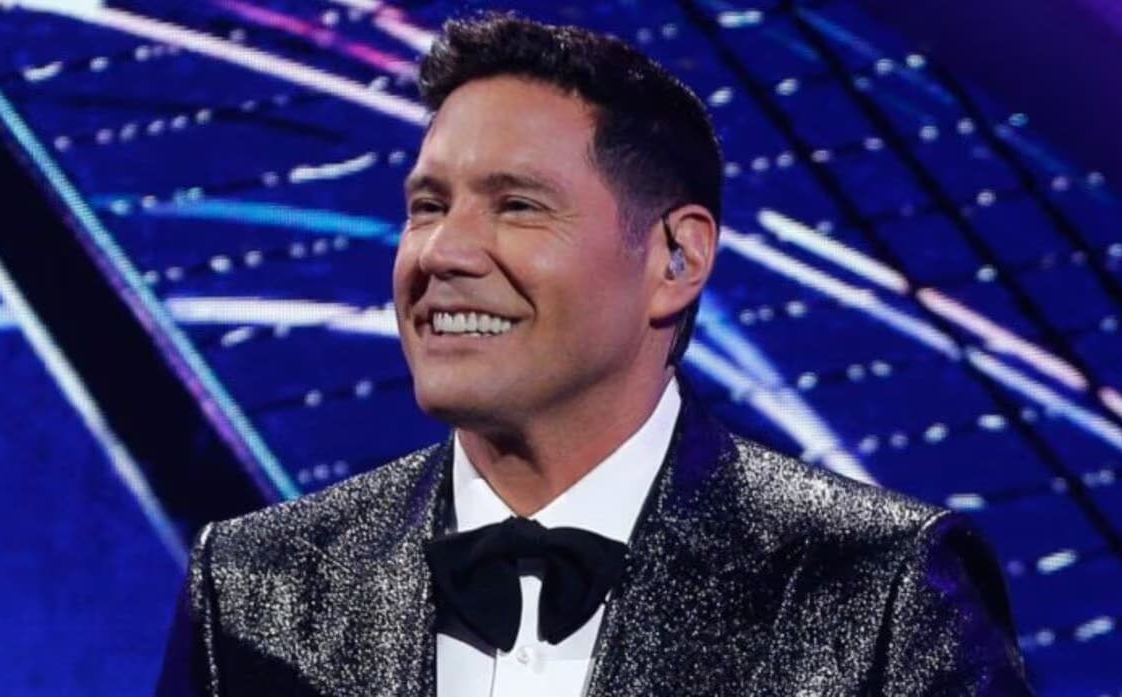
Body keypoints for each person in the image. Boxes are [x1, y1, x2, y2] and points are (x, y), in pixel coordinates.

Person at [157, 13, 1032, 696]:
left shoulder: (874, 589)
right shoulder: (257, 587)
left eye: (517, 206)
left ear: (676, 259)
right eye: (427, 206)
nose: (441, 252)